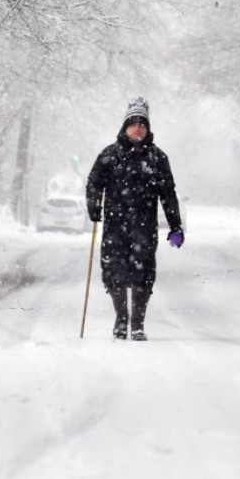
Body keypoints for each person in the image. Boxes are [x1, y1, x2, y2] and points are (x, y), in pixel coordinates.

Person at [86, 97, 184, 341]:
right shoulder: (110, 155)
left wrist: (176, 226)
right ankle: (121, 319)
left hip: (145, 227)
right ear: (125, 126)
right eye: (133, 122)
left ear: (148, 127)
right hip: (115, 226)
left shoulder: (157, 158)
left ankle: (137, 323)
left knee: (144, 274)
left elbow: (168, 194)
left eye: (142, 123)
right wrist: (93, 205)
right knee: (113, 272)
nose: (138, 127)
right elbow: (94, 183)